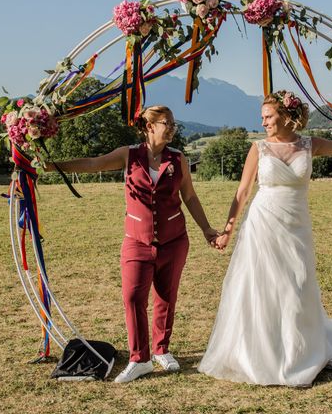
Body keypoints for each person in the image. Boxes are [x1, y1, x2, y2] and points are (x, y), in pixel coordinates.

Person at [198, 90, 332, 387]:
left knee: (297, 284)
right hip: (263, 223)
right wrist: (227, 230)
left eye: (268, 116)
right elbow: (242, 192)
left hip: (297, 225)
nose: (264, 121)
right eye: (263, 117)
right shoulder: (259, 148)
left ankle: (297, 350)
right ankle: (261, 353)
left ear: (286, 115)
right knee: (263, 285)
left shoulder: (310, 145)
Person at [45, 105, 219, 383]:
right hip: (136, 241)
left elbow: (190, 197)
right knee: (132, 298)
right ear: (149, 126)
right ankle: (140, 359)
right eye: (167, 123)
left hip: (174, 241)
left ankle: (162, 350)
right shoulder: (129, 155)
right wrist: (53, 166)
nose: (173, 127)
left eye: (173, 123)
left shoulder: (178, 159)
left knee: (166, 297)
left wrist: (206, 229)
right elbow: (92, 164)